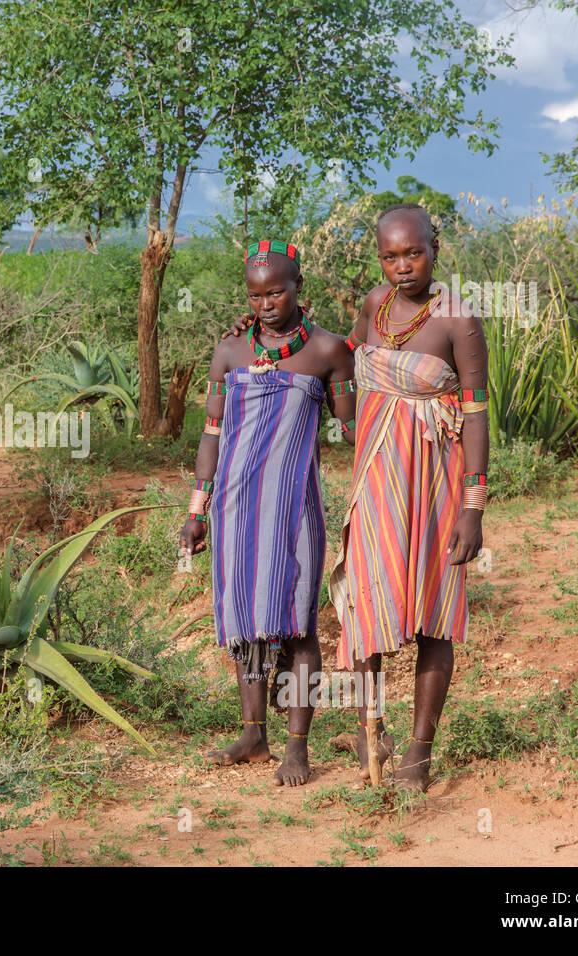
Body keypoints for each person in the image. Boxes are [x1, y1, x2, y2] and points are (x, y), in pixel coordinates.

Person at [182, 241, 356, 787]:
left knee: (299, 626)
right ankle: (253, 735)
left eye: (276, 292)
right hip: (235, 508)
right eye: (256, 296)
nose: (266, 305)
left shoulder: (327, 350)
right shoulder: (229, 351)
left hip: (294, 511)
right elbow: (211, 435)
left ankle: (297, 747)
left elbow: (352, 427)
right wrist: (198, 510)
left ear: (298, 286)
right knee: (245, 625)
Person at [329, 203, 488, 791]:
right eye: (390, 256)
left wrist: (473, 508)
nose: (403, 266)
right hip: (376, 479)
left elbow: (477, 414)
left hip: (436, 482)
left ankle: (418, 753)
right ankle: (371, 735)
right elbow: (341, 357)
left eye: (413, 252)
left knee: (435, 613)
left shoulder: (458, 321)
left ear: (434, 249)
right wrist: (269, 333)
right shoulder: (374, 305)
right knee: (365, 600)